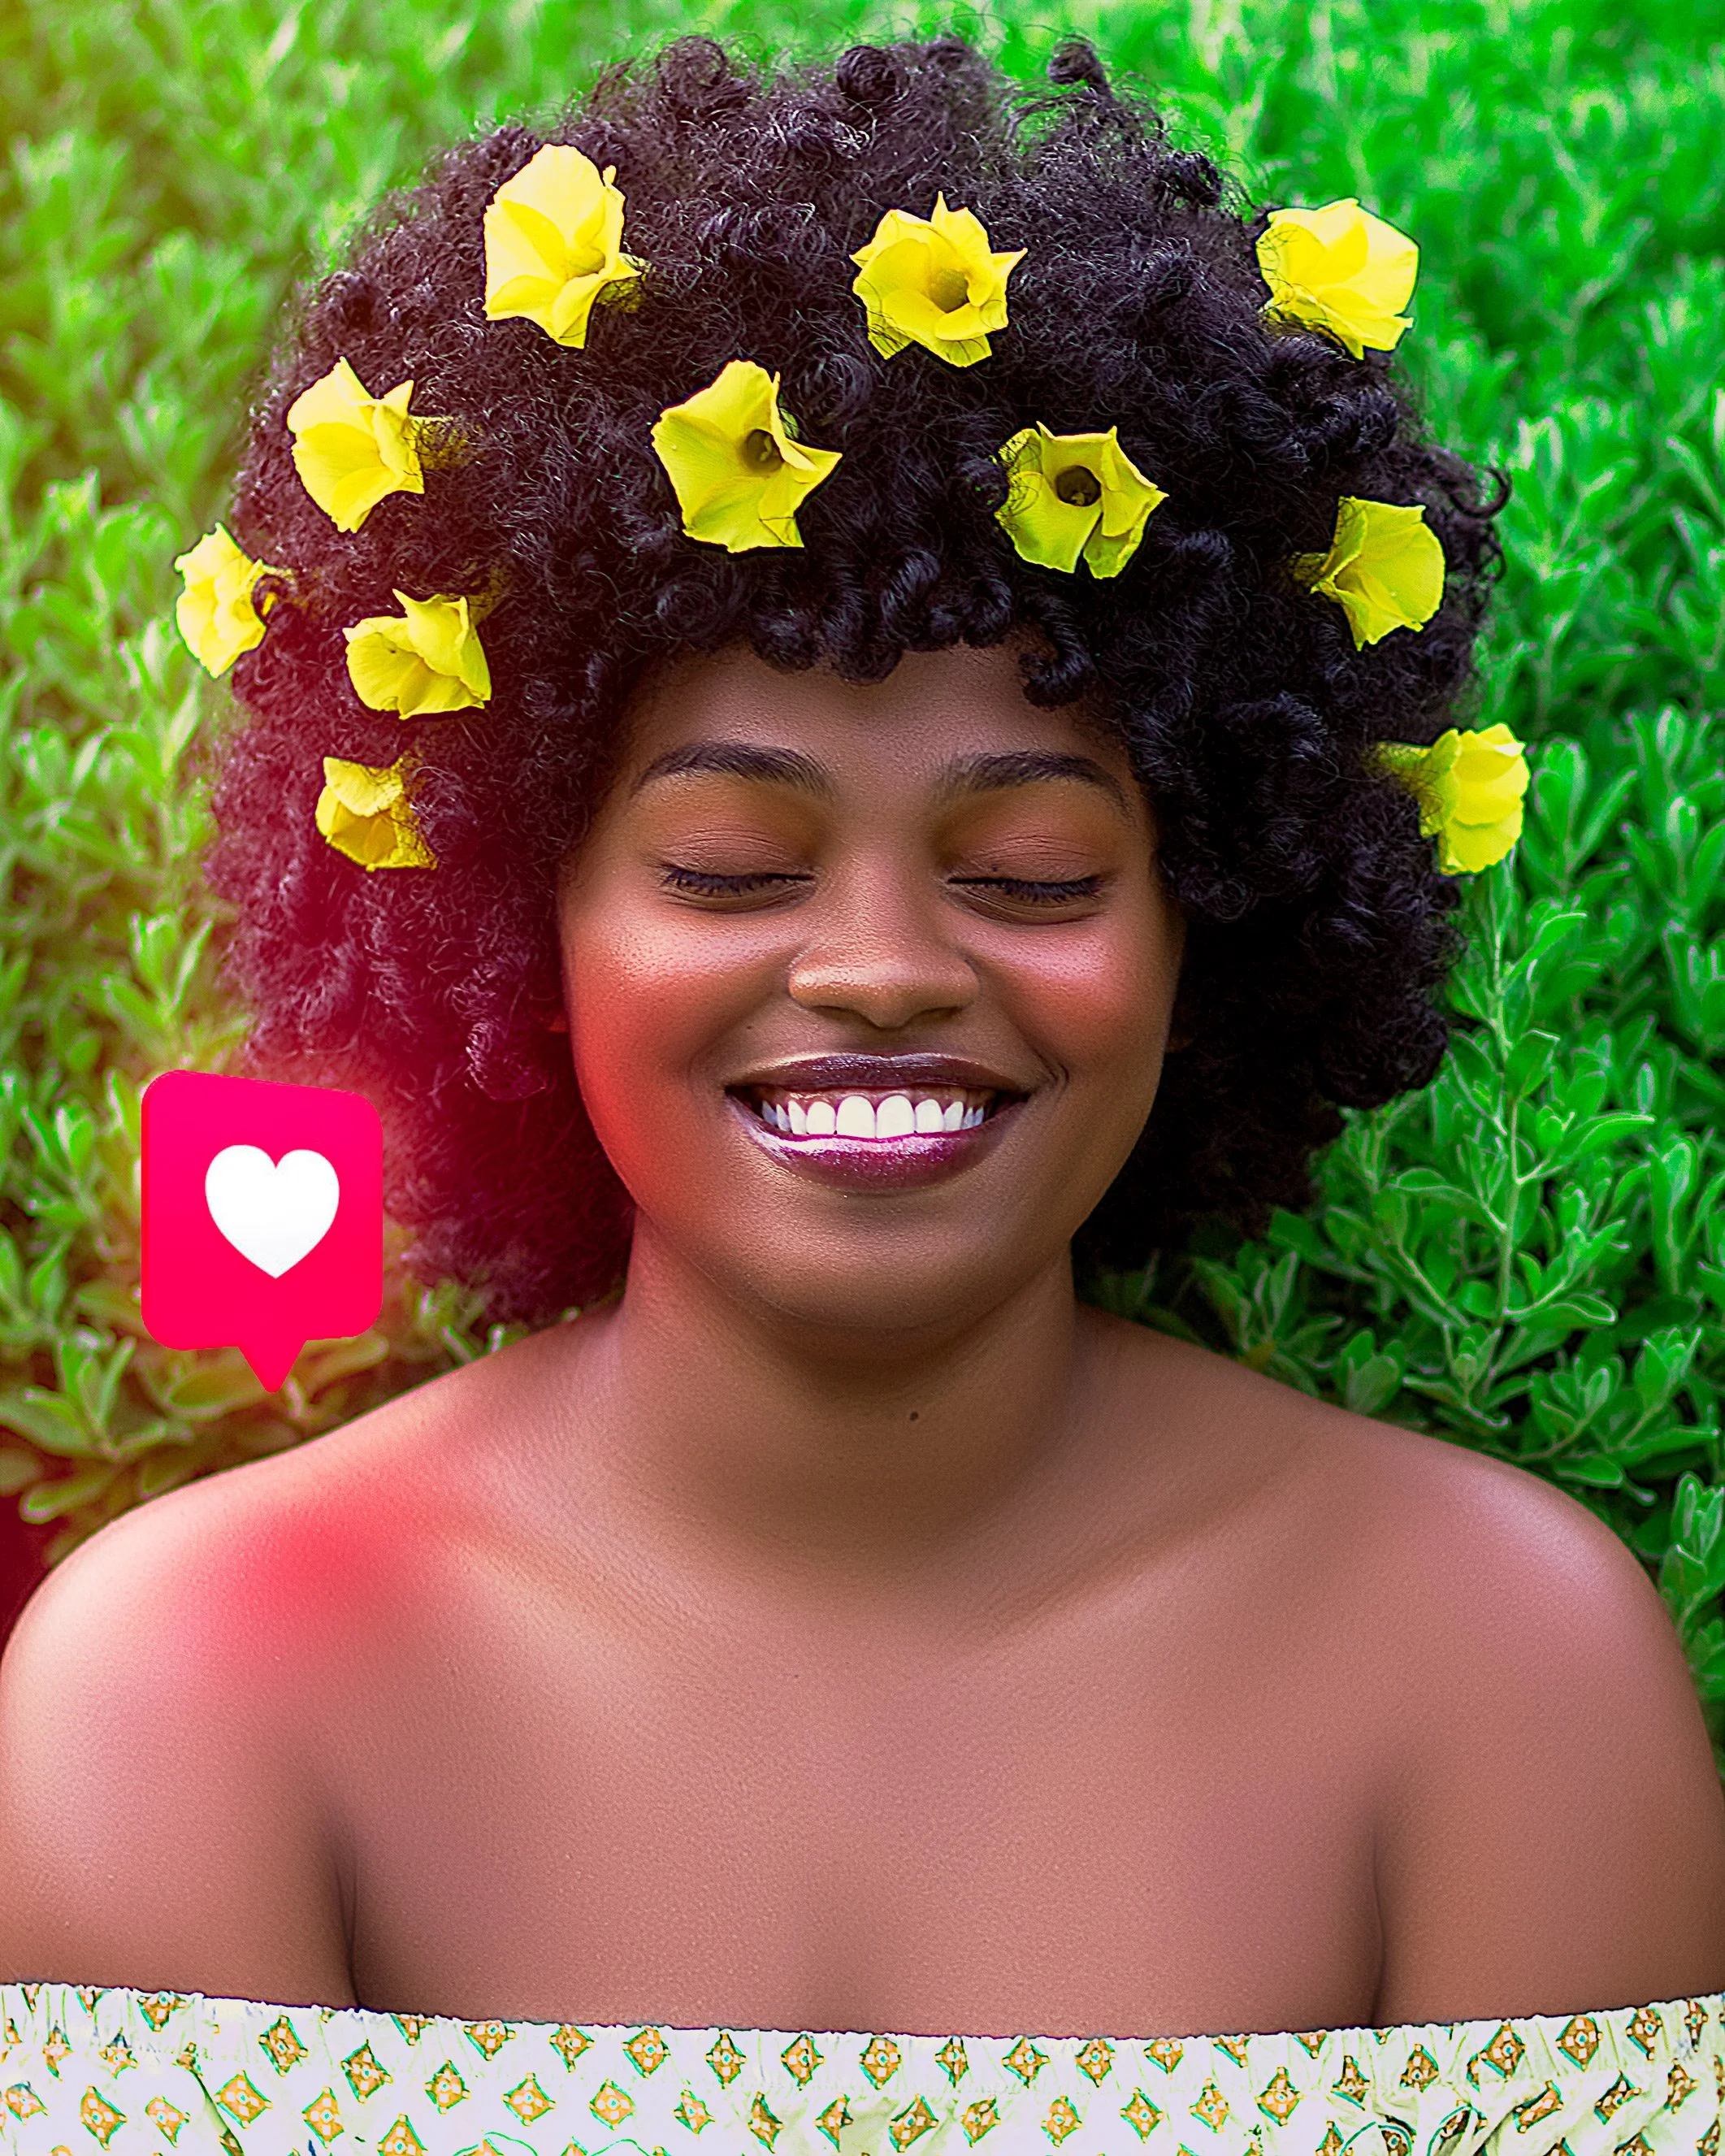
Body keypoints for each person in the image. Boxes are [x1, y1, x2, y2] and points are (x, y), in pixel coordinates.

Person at [1, 33, 1721, 2156]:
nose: (886, 969)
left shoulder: (1501, 1676)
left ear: (1225, 910)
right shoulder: (190, 1693)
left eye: (1032, 875)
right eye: (731, 864)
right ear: (515, 909)